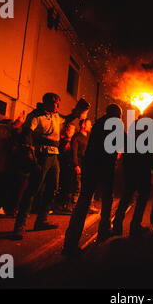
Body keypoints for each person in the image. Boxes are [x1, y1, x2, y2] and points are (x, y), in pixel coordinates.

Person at [12, 94, 89, 240]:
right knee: (33, 189)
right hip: (41, 155)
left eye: (58, 104)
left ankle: (42, 220)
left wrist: (78, 111)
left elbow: (67, 118)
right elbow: (27, 134)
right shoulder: (35, 116)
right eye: (55, 103)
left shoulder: (55, 116)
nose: (57, 106)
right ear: (45, 102)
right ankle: (20, 225)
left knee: (52, 188)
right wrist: (29, 151)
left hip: (54, 156)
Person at [63, 104, 122, 255]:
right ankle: (103, 231)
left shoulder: (98, 124)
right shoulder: (113, 125)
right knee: (105, 199)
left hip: (91, 166)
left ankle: (70, 243)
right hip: (103, 167)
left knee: (84, 201)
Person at [112, 118, 153, 237]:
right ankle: (135, 226)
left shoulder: (130, 136)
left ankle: (117, 225)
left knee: (127, 196)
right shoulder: (147, 136)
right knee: (142, 197)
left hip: (131, 170)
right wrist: (152, 169)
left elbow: (126, 155)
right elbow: (150, 155)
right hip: (142, 171)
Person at [70, 118, 93, 213]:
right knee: (78, 187)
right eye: (89, 124)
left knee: (88, 187)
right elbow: (73, 152)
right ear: (83, 125)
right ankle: (75, 207)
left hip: (87, 166)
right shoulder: (76, 137)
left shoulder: (89, 137)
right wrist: (76, 165)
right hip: (79, 165)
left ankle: (88, 207)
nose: (90, 126)